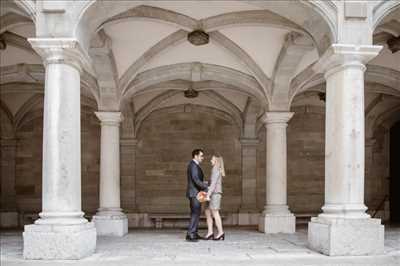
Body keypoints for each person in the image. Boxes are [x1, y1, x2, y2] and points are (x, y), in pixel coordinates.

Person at [186, 149, 208, 242]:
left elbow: (197, 180)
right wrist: (206, 186)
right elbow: (195, 179)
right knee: (195, 213)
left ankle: (193, 233)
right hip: (194, 193)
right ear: (195, 156)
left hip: (196, 193)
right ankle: (190, 234)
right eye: (201, 156)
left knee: (196, 213)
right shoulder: (193, 165)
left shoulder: (194, 165)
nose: (202, 158)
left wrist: (204, 184)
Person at [204, 155, 225, 241]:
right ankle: (210, 232)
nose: (210, 161)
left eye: (212, 159)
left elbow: (213, 184)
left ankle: (221, 232)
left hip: (215, 194)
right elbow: (212, 182)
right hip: (212, 193)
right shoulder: (215, 169)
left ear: (216, 160)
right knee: (207, 212)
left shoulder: (216, 169)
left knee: (215, 213)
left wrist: (208, 195)